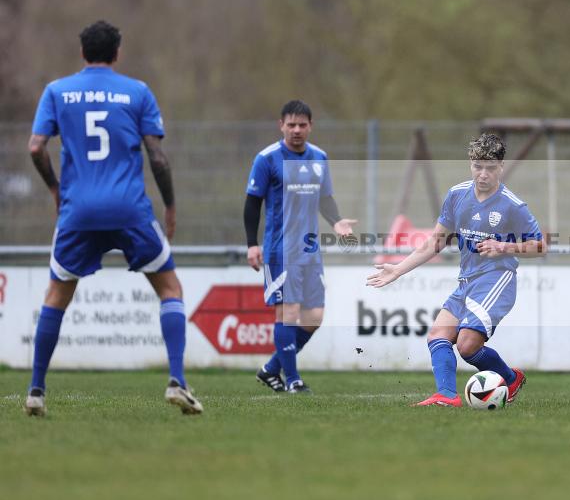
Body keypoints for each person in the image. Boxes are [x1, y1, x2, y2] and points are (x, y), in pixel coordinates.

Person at [24, 20, 201, 416]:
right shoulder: (137, 92)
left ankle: (36, 390)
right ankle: (177, 381)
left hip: (78, 210)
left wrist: (55, 188)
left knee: (57, 297)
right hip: (129, 210)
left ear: (82, 52)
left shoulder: (57, 92)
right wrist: (170, 205)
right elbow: (157, 156)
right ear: (117, 52)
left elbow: (36, 147)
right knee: (170, 290)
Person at [366, 133, 545, 406]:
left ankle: (508, 378)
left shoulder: (512, 205)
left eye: (490, 168)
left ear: (501, 167)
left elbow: (541, 246)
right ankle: (447, 396)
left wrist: (504, 247)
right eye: (477, 166)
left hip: (497, 279)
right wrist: (398, 270)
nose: (483, 174)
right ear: (470, 164)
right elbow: (436, 241)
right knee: (437, 335)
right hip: (467, 280)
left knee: (466, 346)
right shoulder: (457, 195)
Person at [245, 100, 356, 394]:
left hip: (309, 251)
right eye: (291, 124)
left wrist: (337, 222)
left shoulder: (319, 157)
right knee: (288, 312)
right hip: (280, 250)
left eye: (302, 125)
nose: (296, 130)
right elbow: (252, 204)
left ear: (310, 126)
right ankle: (292, 379)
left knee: (314, 318)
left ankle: (271, 369)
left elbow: (325, 198)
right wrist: (251, 244)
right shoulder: (267, 158)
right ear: (281, 125)